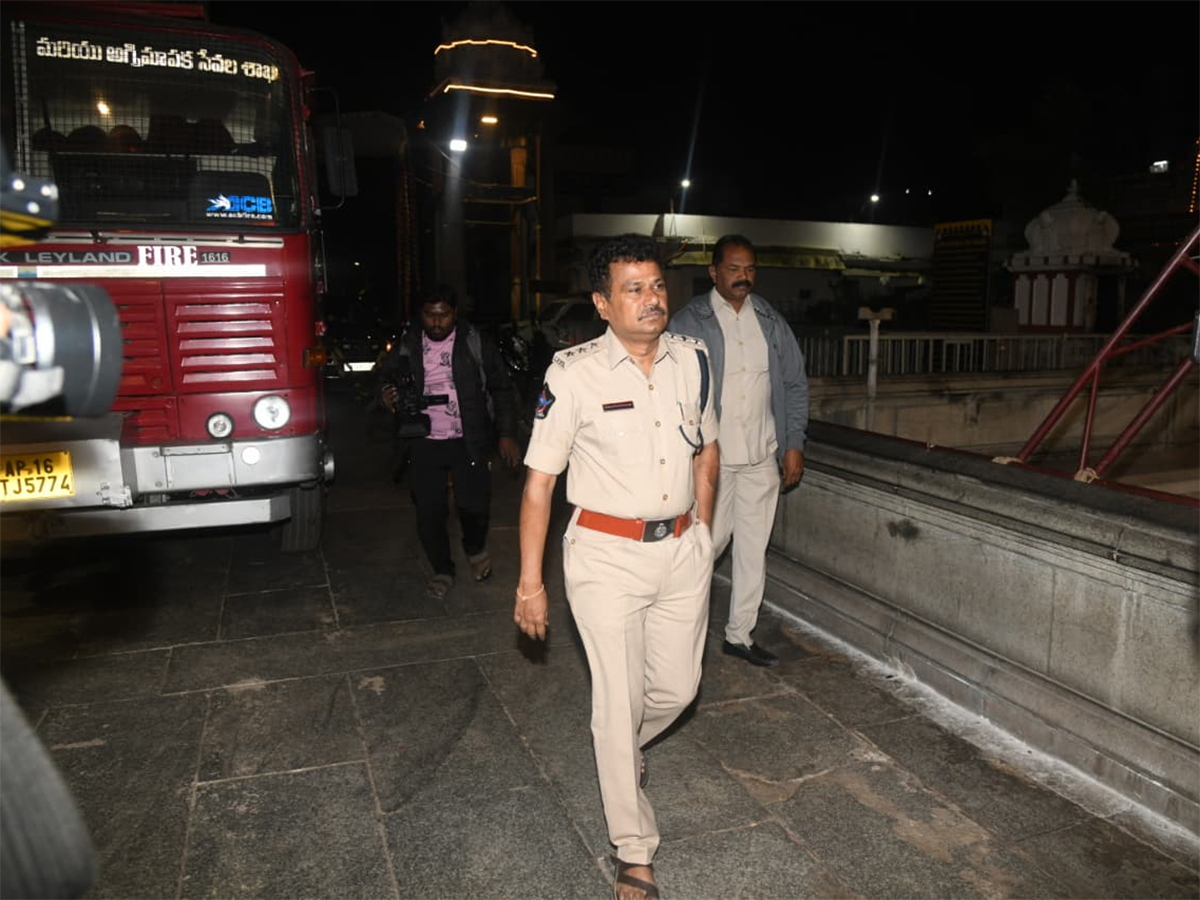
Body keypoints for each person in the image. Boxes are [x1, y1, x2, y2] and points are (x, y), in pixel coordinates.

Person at [514, 234, 719, 900]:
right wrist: (530, 584)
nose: (652, 299)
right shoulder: (572, 373)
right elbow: (540, 483)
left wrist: (706, 526)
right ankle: (634, 850)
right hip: (605, 556)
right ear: (603, 303)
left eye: (658, 285)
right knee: (618, 696)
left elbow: (706, 449)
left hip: (682, 549)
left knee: (678, 689)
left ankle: (618, 751)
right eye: (633, 288)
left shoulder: (694, 360)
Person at [668, 234, 809, 668]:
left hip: (761, 457)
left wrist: (793, 445)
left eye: (749, 269)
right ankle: (676, 632)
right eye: (733, 269)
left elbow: (793, 384)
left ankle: (739, 635)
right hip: (713, 461)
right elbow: (671, 390)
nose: (743, 277)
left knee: (753, 550)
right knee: (706, 547)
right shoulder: (690, 321)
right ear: (714, 272)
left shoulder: (769, 320)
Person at [377, 286, 522, 598]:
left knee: (474, 505)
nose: (437, 321)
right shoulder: (407, 344)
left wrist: (507, 434)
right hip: (423, 438)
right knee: (429, 511)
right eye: (430, 315)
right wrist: (387, 394)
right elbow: (384, 377)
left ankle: (475, 547)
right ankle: (442, 569)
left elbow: (501, 387)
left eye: (443, 314)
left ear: (454, 314)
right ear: (421, 315)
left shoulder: (474, 342)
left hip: (467, 438)